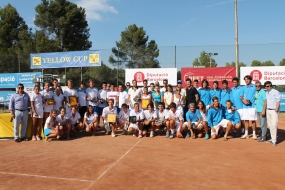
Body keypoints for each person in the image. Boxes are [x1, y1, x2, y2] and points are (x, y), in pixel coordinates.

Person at [263, 81, 281, 146]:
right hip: (268, 110)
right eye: (267, 86)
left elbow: (278, 101)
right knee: (270, 125)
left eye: (270, 86)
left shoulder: (275, 92)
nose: (269, 87)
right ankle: (272, 138)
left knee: (274, 125)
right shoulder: (266, 92)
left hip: (274, 111)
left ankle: (274, 141)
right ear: (265, 87)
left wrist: (276, 110)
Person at [240, 75, 257, 140]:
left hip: (252, 106)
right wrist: (243, 101)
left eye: (247, 79)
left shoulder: (254, 87)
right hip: (245, 106)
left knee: (253, 120)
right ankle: (246, 134)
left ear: (250, 80)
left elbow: (256, 95)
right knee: (246, 120)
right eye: (245, 79)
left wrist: (252, 101)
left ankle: (254, 134)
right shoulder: (243, 88)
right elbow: (241, 96)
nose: (246, 80)